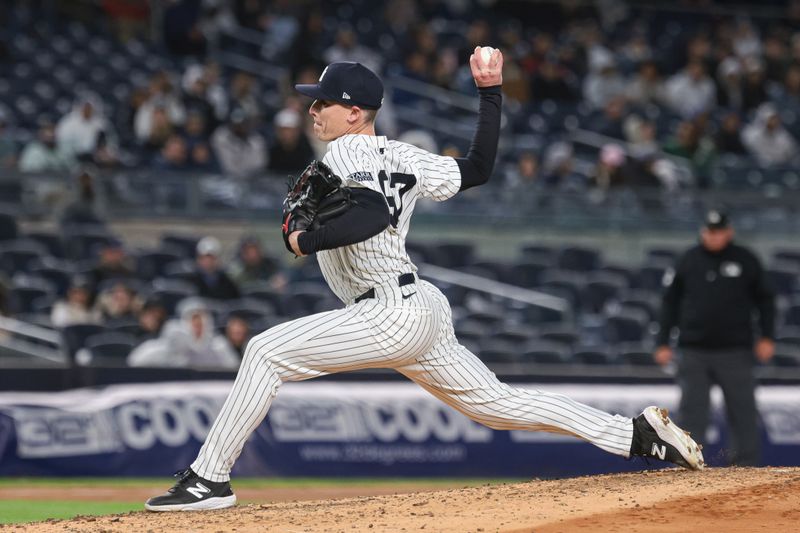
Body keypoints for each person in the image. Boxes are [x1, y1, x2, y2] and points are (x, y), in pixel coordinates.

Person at [145, 55, 704, 512]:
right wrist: (491, 93)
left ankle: (207, 480)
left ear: (354, 112)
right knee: (498, 404)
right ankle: (635, 435)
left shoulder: (347, 150)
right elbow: (479, 167)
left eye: (323, 101)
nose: (312, 109)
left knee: (265, 351)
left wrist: (302, 240)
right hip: (419, 307)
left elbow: (370, 217)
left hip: (388, 310)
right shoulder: (403, 155)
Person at [654, 209, 775, 466]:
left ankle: (746, 469)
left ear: (728, 232)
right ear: (703, 232)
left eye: (719, 231)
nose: (714, 236)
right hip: (694, 350)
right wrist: (662, 341)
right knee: (692, 412)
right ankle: (689, 465)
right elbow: (669, 303)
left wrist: (767, 336)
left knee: (742, 411)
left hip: (735, 350)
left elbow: (766, 300)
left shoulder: (745, 260)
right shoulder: (687, 260)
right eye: (709, 231)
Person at [128, 297, 240, 368]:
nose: (197, 325)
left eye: (201, 320)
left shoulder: (218, 346)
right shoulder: (168, 345)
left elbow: (234, 370)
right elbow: (134, 361)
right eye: (192, 320)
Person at [186, 236, 241, 300]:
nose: (207, 262)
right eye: (204, 258)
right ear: (198, 259)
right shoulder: (190, 280)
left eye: (211, 258)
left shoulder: (227, 282)